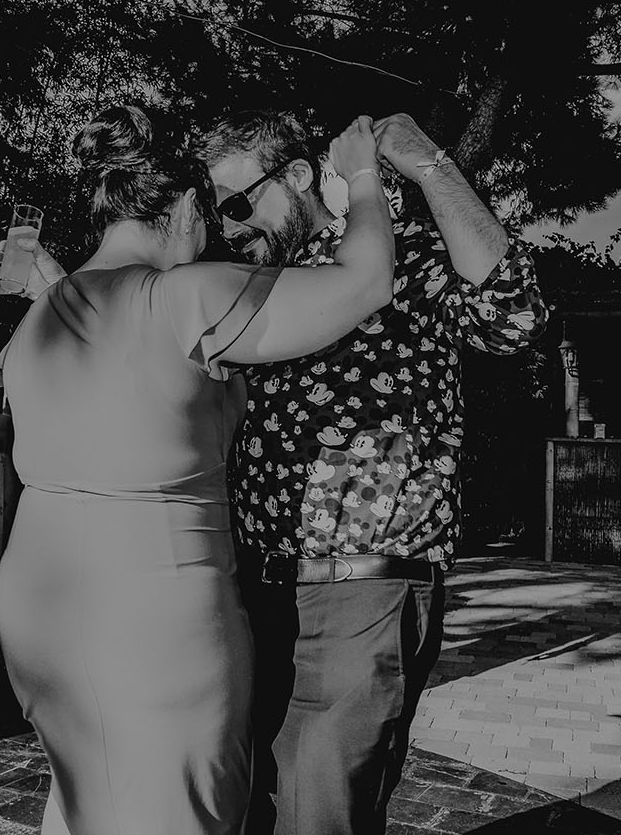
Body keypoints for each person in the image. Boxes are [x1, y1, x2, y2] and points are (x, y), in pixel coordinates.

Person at [0, 105, 395, 835]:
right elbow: (365, 282)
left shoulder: (42, 315)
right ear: (181, 209)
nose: (216, 237)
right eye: (208, 218)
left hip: (39, 607)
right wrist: (364, 175)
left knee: (93, 805)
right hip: (150, 615)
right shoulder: (183, 296)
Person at [200, 110, 549, 835]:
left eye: (238, 204)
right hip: (255, 592)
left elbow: (513, 317)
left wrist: (429, 163)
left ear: (298, 177)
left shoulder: (403, 253)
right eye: (217, 211)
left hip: (359, 592)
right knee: (248, 811)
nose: (229, 226)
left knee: (319, 814)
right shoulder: (259, 283)